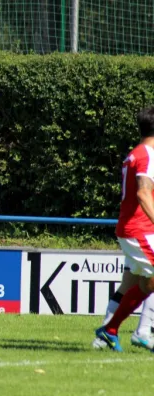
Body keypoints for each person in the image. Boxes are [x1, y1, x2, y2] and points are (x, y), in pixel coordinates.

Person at [95, 106, 154, 351]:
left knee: (139, 283)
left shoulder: (136, 153)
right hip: (139, 229)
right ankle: (133, 332)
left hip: (135, 229)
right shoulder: (147, 155)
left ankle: (110, 332)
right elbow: (142, 192)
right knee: (141, 283)